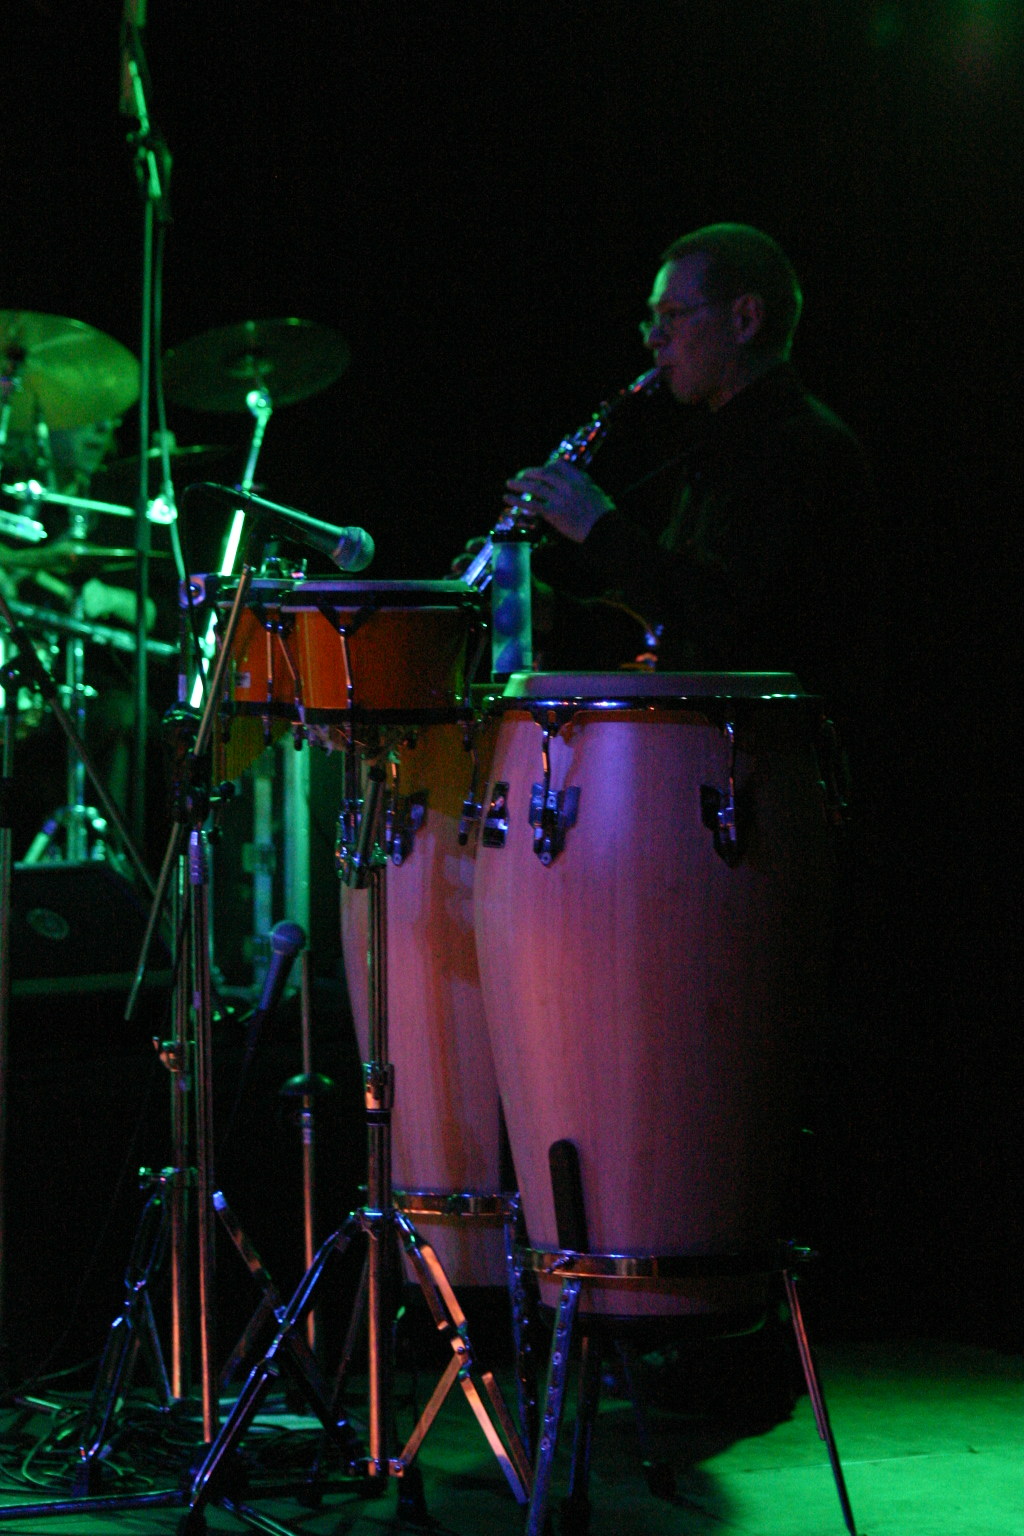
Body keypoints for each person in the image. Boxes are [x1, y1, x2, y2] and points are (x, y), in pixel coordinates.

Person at [505, 223, 882, 786]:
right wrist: (551, 613)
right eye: (652, 320)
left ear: (745, 319)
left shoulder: (804, 449)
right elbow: (668, 629)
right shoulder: (717, 445)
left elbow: (728, 621)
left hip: (777, 778)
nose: (654, 339)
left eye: (673, 315)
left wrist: (598, 526)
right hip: (718, 771)